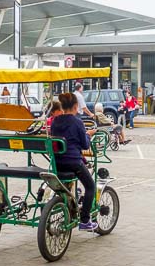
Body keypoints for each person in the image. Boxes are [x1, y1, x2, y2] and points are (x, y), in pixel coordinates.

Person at [50, 92, 98, 231]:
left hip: (57, 162)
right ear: (76, 106)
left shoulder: (55, 121)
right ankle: (84, 220)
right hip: (73, 163)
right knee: (90, 187)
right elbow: (85, 146)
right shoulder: (77, 122)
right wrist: (88, 135)